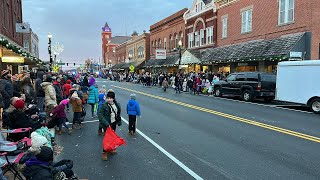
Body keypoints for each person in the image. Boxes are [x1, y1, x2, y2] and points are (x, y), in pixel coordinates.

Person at [98, 90, 121, 160]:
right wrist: (106, 124)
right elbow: (100, 115)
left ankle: (111, 149)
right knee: (107, 139)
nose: (109, 99)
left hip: (113, 123)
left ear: (113, 98)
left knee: (113, 137)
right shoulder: (104, 105)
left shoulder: (116, 104)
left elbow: (118, 113)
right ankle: (104, 152)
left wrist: (118, 121)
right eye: (108, 98)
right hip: (107, 124)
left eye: (110, 98)